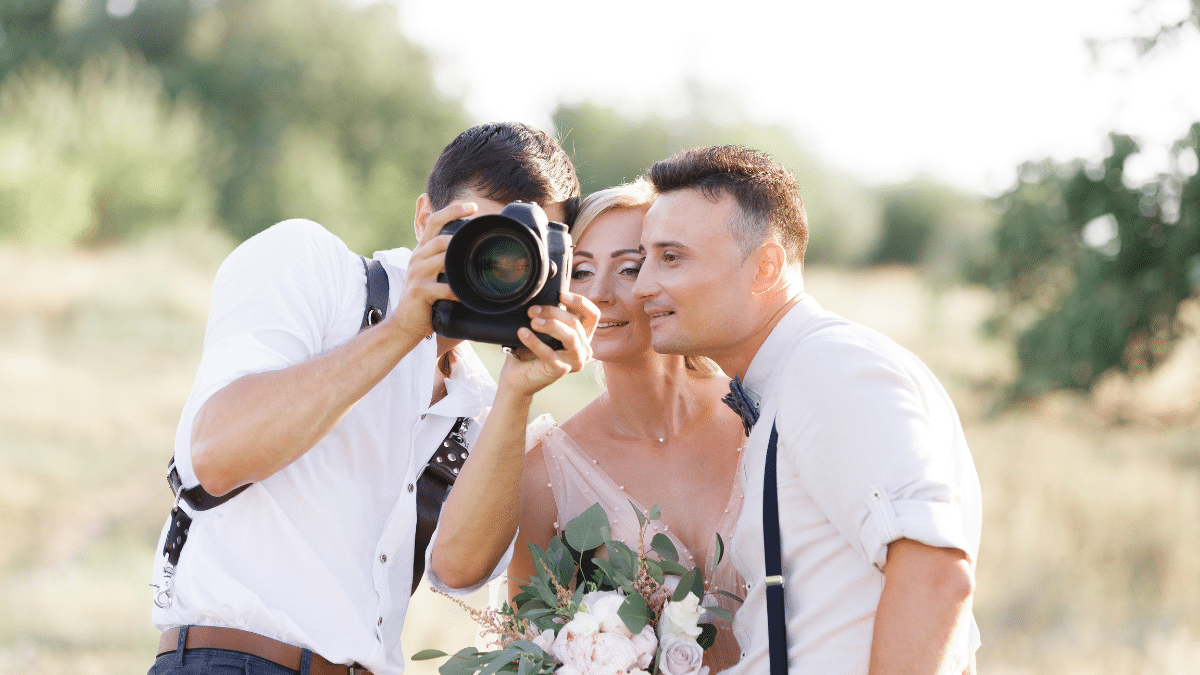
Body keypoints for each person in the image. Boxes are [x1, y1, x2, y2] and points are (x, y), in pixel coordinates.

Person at [147, 122, 598, 675]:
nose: (496, 262)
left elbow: (459, 572)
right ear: (422, 216)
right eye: (477, 230)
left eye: (520, 250)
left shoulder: (482, 396)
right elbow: (213, 457)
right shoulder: (313, 265)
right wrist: (401, 331)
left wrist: (516, 394)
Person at [632, 146, 982, 675]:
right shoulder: (789, 378)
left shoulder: (830, 367)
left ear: (765, 267)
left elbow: (934, 573)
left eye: (672, 257)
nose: (641, 287)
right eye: (645, 259)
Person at [506, 179, 749, 671]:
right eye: (582, 270)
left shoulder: (759, 413)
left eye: (630, 268)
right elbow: (525, 650)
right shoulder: (546, 472)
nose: (599, 294)